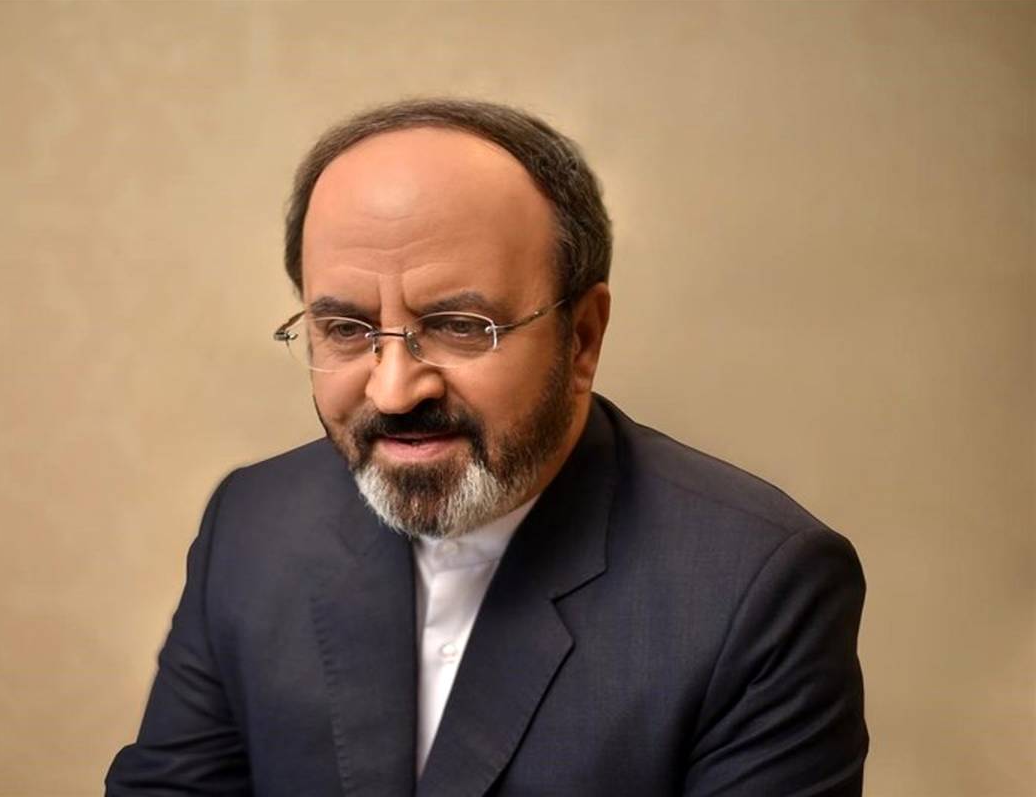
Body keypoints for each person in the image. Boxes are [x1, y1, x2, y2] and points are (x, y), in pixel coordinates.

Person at [106, 99, 868, 796]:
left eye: (460, 327)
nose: (395, 391)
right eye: (346, 329)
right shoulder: (251, 522)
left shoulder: (755, 586)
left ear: (582, 338)